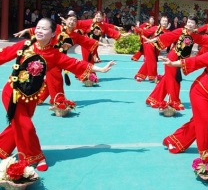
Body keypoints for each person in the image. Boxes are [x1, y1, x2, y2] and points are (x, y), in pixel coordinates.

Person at [0, 18, 115, 172]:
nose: (39, 30)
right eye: (38, 28)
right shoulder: (26, 45)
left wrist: (99, 69)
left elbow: (75, 64)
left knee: (18, 126)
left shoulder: (54, 54)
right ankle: (35, 157)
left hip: (31, 97)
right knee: (26, 127)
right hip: (12, 93)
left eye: (44, 28)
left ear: (53, 33)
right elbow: (4, 55)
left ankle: (2, 149)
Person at [145, 15, 208, 110]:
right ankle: (174, 101)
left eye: (192, 23)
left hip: (179, 61)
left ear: (195, 25)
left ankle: (153, 99)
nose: (190, 24)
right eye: (189, 22)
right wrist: (154, 39)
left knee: (167, 80)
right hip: (171, 58)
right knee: (173, 80)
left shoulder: (194, 36)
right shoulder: (180, 31)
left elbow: (204, 39)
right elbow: (168, 36)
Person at [134, 16, 169, 81]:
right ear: (160, 21)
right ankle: (154, 77)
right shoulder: (155, 28)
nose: (164, 22)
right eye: (163, 20)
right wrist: (138, 28)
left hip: (157, 49)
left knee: (148, 62)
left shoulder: (167, 32)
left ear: (167, 23)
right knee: (153, 63)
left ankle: (139, 75)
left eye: (165, 21)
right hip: (150, 46)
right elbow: (146, 32)